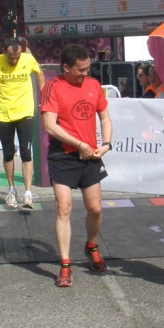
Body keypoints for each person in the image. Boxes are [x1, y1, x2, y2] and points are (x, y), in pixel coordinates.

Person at [41, 44, 112, 288]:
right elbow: (50, 126)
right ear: (66, 67)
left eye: (87, 68)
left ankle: (91, 244)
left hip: (90, 155)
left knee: (95, 209)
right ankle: (65, 264)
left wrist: (107, 143)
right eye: (80, 70)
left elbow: (104, 116)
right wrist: (78, 143)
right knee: (64, 207)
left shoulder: (93, 85)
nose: (85, 73)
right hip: (63, 155)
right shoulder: (53, 86)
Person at [0, 37, 45, 209]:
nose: (15, 60)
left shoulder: (28, 59)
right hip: (4, 114)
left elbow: (40, 73)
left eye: (18, 56)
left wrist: (43, 97)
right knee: (8, 153)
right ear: (4, 51)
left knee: (26, 152)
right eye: (11, 57)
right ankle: (11, 189)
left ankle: (27, 193)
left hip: (25, 112)